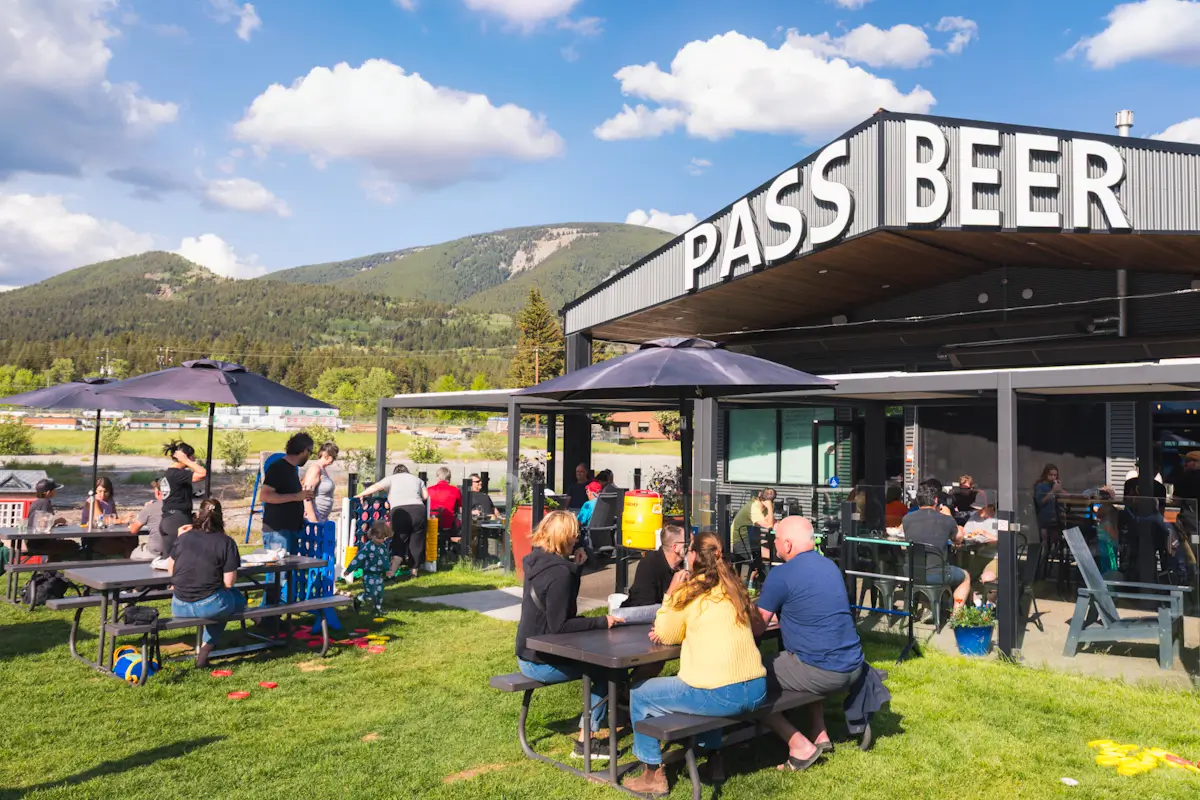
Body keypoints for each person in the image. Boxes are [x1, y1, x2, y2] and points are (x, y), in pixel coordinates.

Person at [625, 532, 767, 795]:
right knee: (707, 687)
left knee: (640, 693)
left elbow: (666, 633)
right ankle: (714, 760)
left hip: (721, 693)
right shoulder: (733, 586)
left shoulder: (689, 591)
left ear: (692, 556)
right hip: (757, 687)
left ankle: (652, 774)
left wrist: (670, 593)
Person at [757, 516, 885, 772]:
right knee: (803, 656)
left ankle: (798, 745)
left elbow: (756, 627)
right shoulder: (829, 566)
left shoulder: (780, 575)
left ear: (789, 545)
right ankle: (819, 732)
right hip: (854, 664)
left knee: (743, 679)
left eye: (777, 540)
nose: (774, 544)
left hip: (823, 671)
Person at [516, 511, 622, 760]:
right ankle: (587, 743)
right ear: (564, 538)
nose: (577, 540)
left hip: (527, 652)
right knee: (607, 669)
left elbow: (562, 606)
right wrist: (601, 621)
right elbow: (561, 625)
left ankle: (601, 723)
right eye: (574, 536)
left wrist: (576, 567)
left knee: (602, 665)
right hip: (541, 660)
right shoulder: (560, 572)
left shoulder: (536, 559)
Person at [167, 498, 245, 668]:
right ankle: (204, 652)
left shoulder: (183, 538)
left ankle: (262, 621)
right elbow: (229, 582)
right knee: (232, 600)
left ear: (197, 515)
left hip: (178, 604)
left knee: (227, 601)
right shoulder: (226, 542)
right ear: (221, 518)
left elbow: (170, 569)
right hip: (209, 605)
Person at [901, 480, 971, 607]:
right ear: (936, 500)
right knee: (966, 576)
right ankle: (957, 617)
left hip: (911, 571)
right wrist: (951, 519)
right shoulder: (946, 519)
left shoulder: (906, 519)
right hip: (937, 574)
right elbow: (958, 539)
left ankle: (929, 607)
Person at [356, 464, 428, 577]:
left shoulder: (391, 479)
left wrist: (360, 494)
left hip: (401, 511)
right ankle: (414, 570)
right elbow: (425, 496)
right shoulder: (417, 480)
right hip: (419, 510)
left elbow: (376, 487)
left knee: (399, 540)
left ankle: (392, 572)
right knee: (416, 541)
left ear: (395, 472)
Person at [260, 433, 314, 555]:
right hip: (278, 532)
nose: (309, 456)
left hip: (290, 530)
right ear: (304, 451)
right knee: (280, 573)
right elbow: (265, 496)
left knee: (288, 572)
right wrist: (297, 497)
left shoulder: (292, 469)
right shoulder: (278, 468)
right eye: (310, 452)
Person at [624, 524, 685, 609]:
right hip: (639, 618)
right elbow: (643, 607)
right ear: (675, 547)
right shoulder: (649, 565)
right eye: (689, 543)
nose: (694, 547)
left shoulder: (685, 565)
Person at [160, 440, 207, 547]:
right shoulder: (177, 474)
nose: (194, 460)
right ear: (185, 457)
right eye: (192, 457)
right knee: (185, 555)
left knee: (171, 558)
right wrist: (187, 461)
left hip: (168, 519)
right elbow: (203, 473)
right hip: (178, 519)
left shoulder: (169, 473)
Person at [22, 478, 79, 559]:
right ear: (48, 492)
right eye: (54, 490)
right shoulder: (45, 502)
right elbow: (43, 523)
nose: (55, 492)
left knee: (61, 545)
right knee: (73, 545)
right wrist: (58, 521)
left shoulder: (35, 502)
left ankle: (50, 570)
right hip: (40, 544)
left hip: (31, 543)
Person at [345, 521, 391, 616]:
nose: (381, 540)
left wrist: (387, 570)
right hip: (369, 575)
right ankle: (358, 599)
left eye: (383, 538)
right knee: (370, 594)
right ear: (372, 535)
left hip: (379, 575)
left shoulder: (382, 547)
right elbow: (358, 558)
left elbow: (385, 559)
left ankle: (377, 609)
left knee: (379, 593)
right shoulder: (368, 547)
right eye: (379, 538)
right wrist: (349, 569)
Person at [84, 477, 137, 558]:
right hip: (94, 536)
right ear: (95, 491)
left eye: (105, 492)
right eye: (100, 491)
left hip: (108, 532)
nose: (102, 494)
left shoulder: (110, 501)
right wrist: (121, 520)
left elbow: (114, 518)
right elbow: (101, 519)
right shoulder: (93, 501)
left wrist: (124, 519)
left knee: (133, 538)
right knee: (127, 546)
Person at [1168, 451, 1200, 577]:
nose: (1184, 464)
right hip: (1193, 520)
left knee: (1191, 554)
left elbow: (1175, 502)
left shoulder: (1185, 478)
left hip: (1191, 522)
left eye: (1188, 461)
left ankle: (1192, 579)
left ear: (1197, 463)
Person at [1034, 464, 1067, 580]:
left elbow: (1065, 495)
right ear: (1046, 474)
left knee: (1057, 543)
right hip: (1045, 520)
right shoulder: (1041, 486)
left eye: (1055, 475)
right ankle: (1040, 572)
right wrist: (1053, 491)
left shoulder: (1054, 486)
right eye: (1051, 475)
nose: (1053, 477)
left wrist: (1060, 490)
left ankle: (1049, 568)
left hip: (1056, 519)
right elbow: (1040, 502)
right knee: (1045, 546)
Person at [731, 488, 776, 570]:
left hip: (751, 538)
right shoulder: (754, 507)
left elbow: (772, 521)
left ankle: (752, 580)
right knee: (762, 563)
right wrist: (770, 508)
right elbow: (769, 525)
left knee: (768, 552)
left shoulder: (763, 507)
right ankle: (760, 580)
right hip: (740, 541)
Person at [961, 491, 999, 585]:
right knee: (965, 577)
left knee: (987, 578)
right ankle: (974, 598)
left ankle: (991, 599)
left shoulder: (1000, 518)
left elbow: (1003, 540)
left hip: (996, 557)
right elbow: (965, 532)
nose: (979, 511)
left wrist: (984, 533)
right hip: (980, 555)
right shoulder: (975, 516)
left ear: (991, 507)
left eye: (982, 508)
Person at [129, 477, 169, 561]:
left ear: (158, 492)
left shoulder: (150, 508)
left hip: (155, 552)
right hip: (173, 552)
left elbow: (133, 530)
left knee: (133, 554)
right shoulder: (180, 507)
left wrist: (145, 509)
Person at [303, 441, 339, 524]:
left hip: (323, 517)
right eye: (333, 456)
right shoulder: (315, 469)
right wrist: (314, 521)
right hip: (315, 516)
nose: (333, 460)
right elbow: (306, 496)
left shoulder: (323, 470)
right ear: (326, 455)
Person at [427, 466, 463, 546]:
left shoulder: (429, 490)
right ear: (449, 478)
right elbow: (461, 508)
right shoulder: (455, 490)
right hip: (449, 524)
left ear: (437, 477)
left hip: (432, 523)